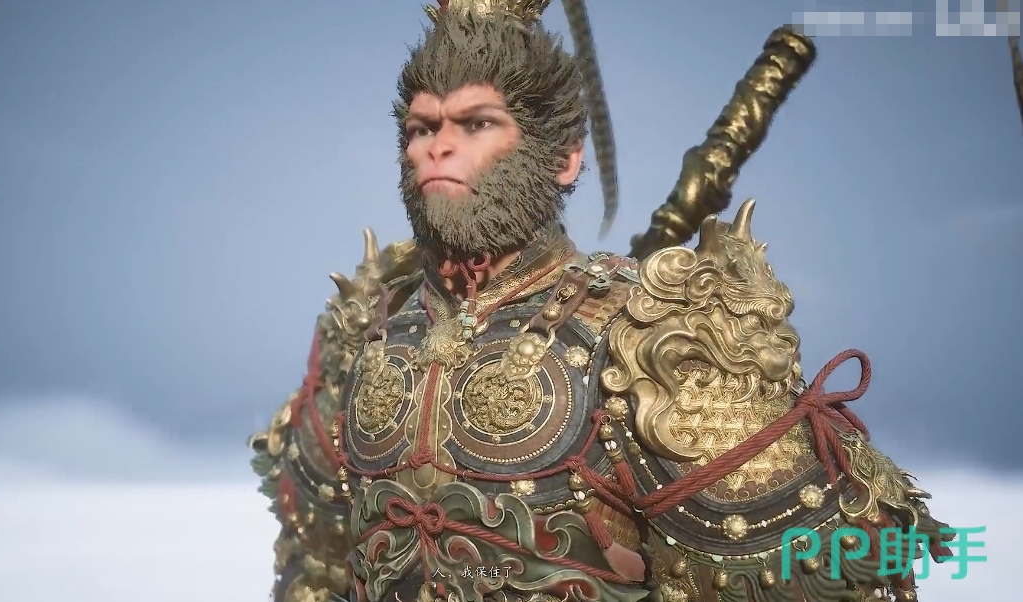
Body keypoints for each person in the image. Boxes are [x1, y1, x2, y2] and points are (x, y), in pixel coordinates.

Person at [248, 2, 956, 601]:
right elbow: (318, 567)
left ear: (563, 157)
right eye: (422, 127)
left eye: (476, 123)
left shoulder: (658, 335)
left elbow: (835, 567)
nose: (438, 146)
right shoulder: (368, 333)